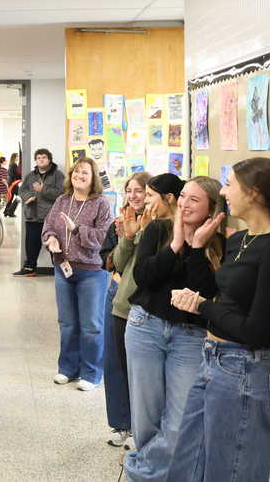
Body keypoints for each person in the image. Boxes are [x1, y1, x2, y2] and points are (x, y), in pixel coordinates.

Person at [168, 158, 270, 482]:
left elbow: (256, 331)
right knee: (185, 468)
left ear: (254, 194)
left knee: (228, 474)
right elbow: (215, 293)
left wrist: (202, 307)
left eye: (229, 184)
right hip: (211, 360)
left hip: (244, 369)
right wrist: (196, 248)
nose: (225, 192)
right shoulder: (239, 239)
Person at [124, 175, 224, 482]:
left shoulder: (219, 243)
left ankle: (141, 471)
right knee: (146, 417)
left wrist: (195, 248)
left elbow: (202, 289)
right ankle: (151, 472)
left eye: (194, 200)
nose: (184, 204)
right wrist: (176, 244)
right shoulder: (158, 229)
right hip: (145, 327)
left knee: (181, 421)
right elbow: (144, 276)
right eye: (183, 197)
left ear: (211, 208)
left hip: (190, 337)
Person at [41, 157, 113, 391]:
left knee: (91, 325)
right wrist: (51, 238)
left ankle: (91, 373)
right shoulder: (63, 200)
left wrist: (77, 229)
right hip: (64, 268)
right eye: (76, 172)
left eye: (85, 173)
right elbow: (49, 226)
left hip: (92, 272)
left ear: (93, 179)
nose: (79, 176)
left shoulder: (101, 203)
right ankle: (67, 368)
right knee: (68, 323)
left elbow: (104, 238)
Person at [102, 171, 151, 449]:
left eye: (140, 191)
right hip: (118, 296)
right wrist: (126, 237)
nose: (134, 196)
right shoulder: (120, 222)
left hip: (141, 303)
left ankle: (138, 427)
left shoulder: (159, 225)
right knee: (115, 364)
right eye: (129, 191)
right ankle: (121, 424)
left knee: (138, 370)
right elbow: (116, 262)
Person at [13, 148, 64, 276]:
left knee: (55, 245)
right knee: (31, 244)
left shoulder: (58, 175)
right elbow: (21, 190)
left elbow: (61, 194)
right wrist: (28, 197)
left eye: (44, 157)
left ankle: (60, 269)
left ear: (49, 159)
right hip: (32, 215)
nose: (41, 159)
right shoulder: (31, 175)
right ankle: (30, 268)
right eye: (38, 158)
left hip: (50, 217)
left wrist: (43, 189)